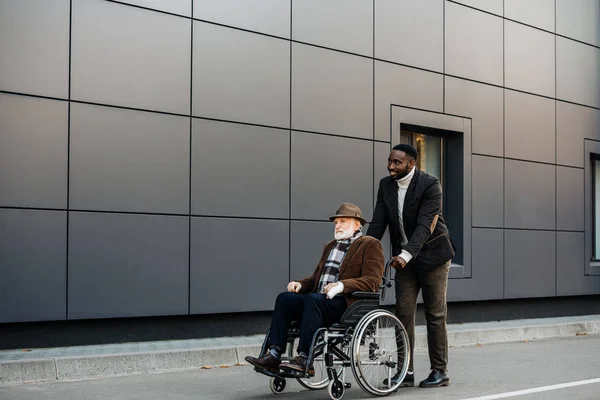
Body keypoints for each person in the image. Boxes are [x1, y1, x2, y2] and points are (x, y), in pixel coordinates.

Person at [245, 203, 384, 375]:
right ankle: (274, 354)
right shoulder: (331, 246)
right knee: (285, 298)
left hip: (346, 303)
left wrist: (341, 285)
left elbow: (372, 281)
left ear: (357, 224)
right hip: (319, 301)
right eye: (336, 223)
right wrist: (301, 284)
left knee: (313, 300)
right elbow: (316, 278)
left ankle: (304, 359)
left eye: (342, 221)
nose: (337, 225)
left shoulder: (370, 244)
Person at [366, 143, 455, 388]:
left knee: (435, 315)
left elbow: (426, 225)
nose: (390, 166)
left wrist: (407, 254)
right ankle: (406, 371)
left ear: (411, 164)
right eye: (389, 161)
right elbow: (378, 223)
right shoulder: (386, 185)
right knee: (403, 314)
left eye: (397, 162)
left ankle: (440, 371)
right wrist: (364, 251)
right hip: (404, 260)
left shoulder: (430, 184)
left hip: (433, 257)